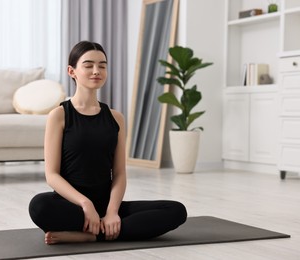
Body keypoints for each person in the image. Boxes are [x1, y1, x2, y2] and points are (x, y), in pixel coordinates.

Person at [29, 41, 187, 244]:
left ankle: (91, 235)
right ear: (72, 71)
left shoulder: (116, 118)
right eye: (88, 65)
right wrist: (86, 204)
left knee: (176, 210)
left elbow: (120, 173)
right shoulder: (59, 116)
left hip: (107, 204)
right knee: (39, 206)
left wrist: (112, 211)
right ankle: (101, 231)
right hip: (72, 204)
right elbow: (52, 175)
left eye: (102, 65)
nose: (96, 71)